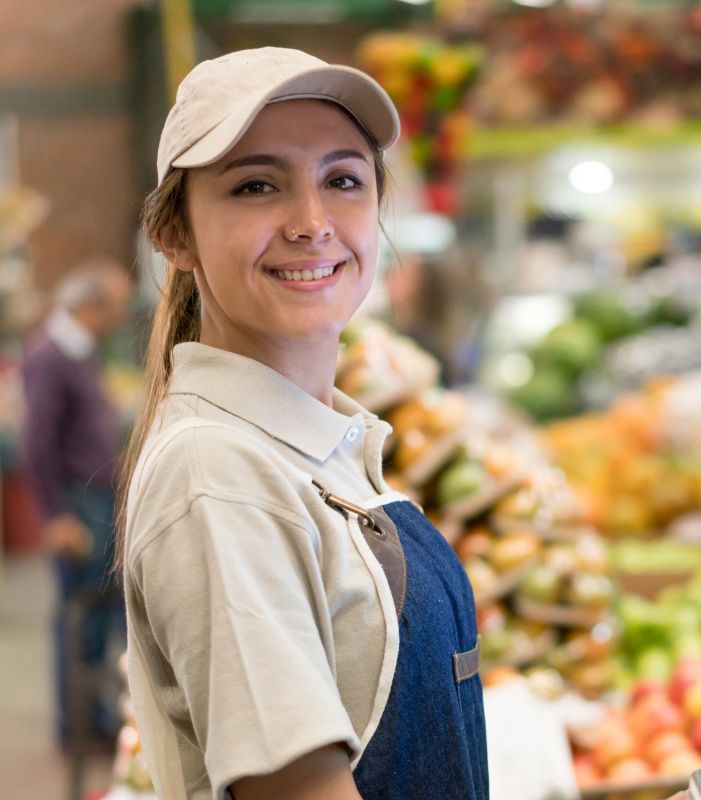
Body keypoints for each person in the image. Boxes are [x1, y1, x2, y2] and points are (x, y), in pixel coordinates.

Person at [119, 48, 487, 800]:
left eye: (343, 180)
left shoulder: (317, 446)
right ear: (175, 236)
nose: (312, 223)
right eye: (257, 186)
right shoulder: (219, 474)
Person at [20, 258, 132, 747]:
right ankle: (81, 726)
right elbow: (37, 442)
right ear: (91, 306)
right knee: (81, 612)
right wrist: (54, 515)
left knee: (99, 613)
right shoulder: (51, 356)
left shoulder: (78, 351)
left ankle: (97, 716)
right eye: (115, 308)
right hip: (76, 502)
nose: (118, 319)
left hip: (94, 496)